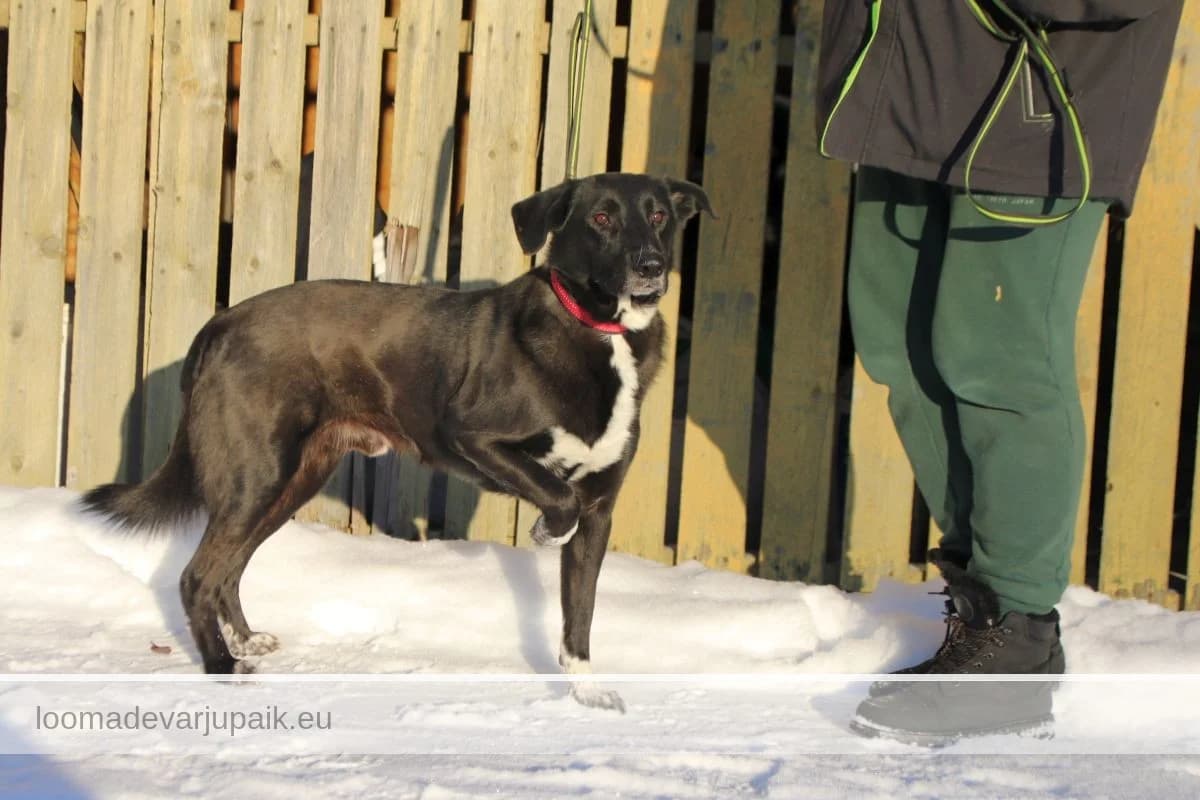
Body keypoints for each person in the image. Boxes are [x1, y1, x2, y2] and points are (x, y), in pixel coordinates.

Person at [814, 0, 1185, 743]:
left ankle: (1020, 639)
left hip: (1041, 90)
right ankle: (982, 607)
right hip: (909, 77)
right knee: (904, 347)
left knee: (999, 357)